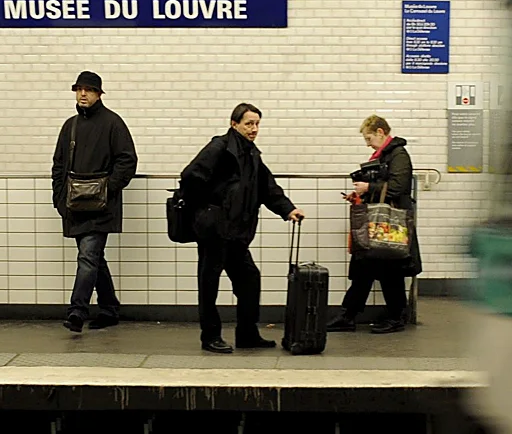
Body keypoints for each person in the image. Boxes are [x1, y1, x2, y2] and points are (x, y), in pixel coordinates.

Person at [179, 103, 305, 353]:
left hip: (236, 234)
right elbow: (190, 176)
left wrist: (288, 209)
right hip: (215, 232)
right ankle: (210, 337)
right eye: (249, 123)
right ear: (233, 124)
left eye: (257, 124)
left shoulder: (252, 155)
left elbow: (268, 188)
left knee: (249, 279)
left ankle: (247, 333)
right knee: (209, 284)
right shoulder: (220, 148)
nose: (254, 129)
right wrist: (208, 211)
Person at [52, 71, 138, 333]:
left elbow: (127, 160)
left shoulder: (113, 123)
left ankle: (77, 310)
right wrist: (59, 199)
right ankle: (109, 308)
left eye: (88, 90)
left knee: (87, 256)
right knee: (94, 259)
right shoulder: (71, 126)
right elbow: (58, 165)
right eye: (79, 89)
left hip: (102, 207)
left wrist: (107, 190)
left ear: (99, 93)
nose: (83, 94)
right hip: (75, 205)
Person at [328, 115, 422, 334]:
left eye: (369, 138)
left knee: (387, 270)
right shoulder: (386, 155)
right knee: (368, 268)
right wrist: (359, 194)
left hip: (389, 225)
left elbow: (398, 187)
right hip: (381, 225)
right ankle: (351, 315)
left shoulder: (398, 155)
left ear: (381, 132)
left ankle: (390, 316)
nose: (367, 143)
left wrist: (368, 188)